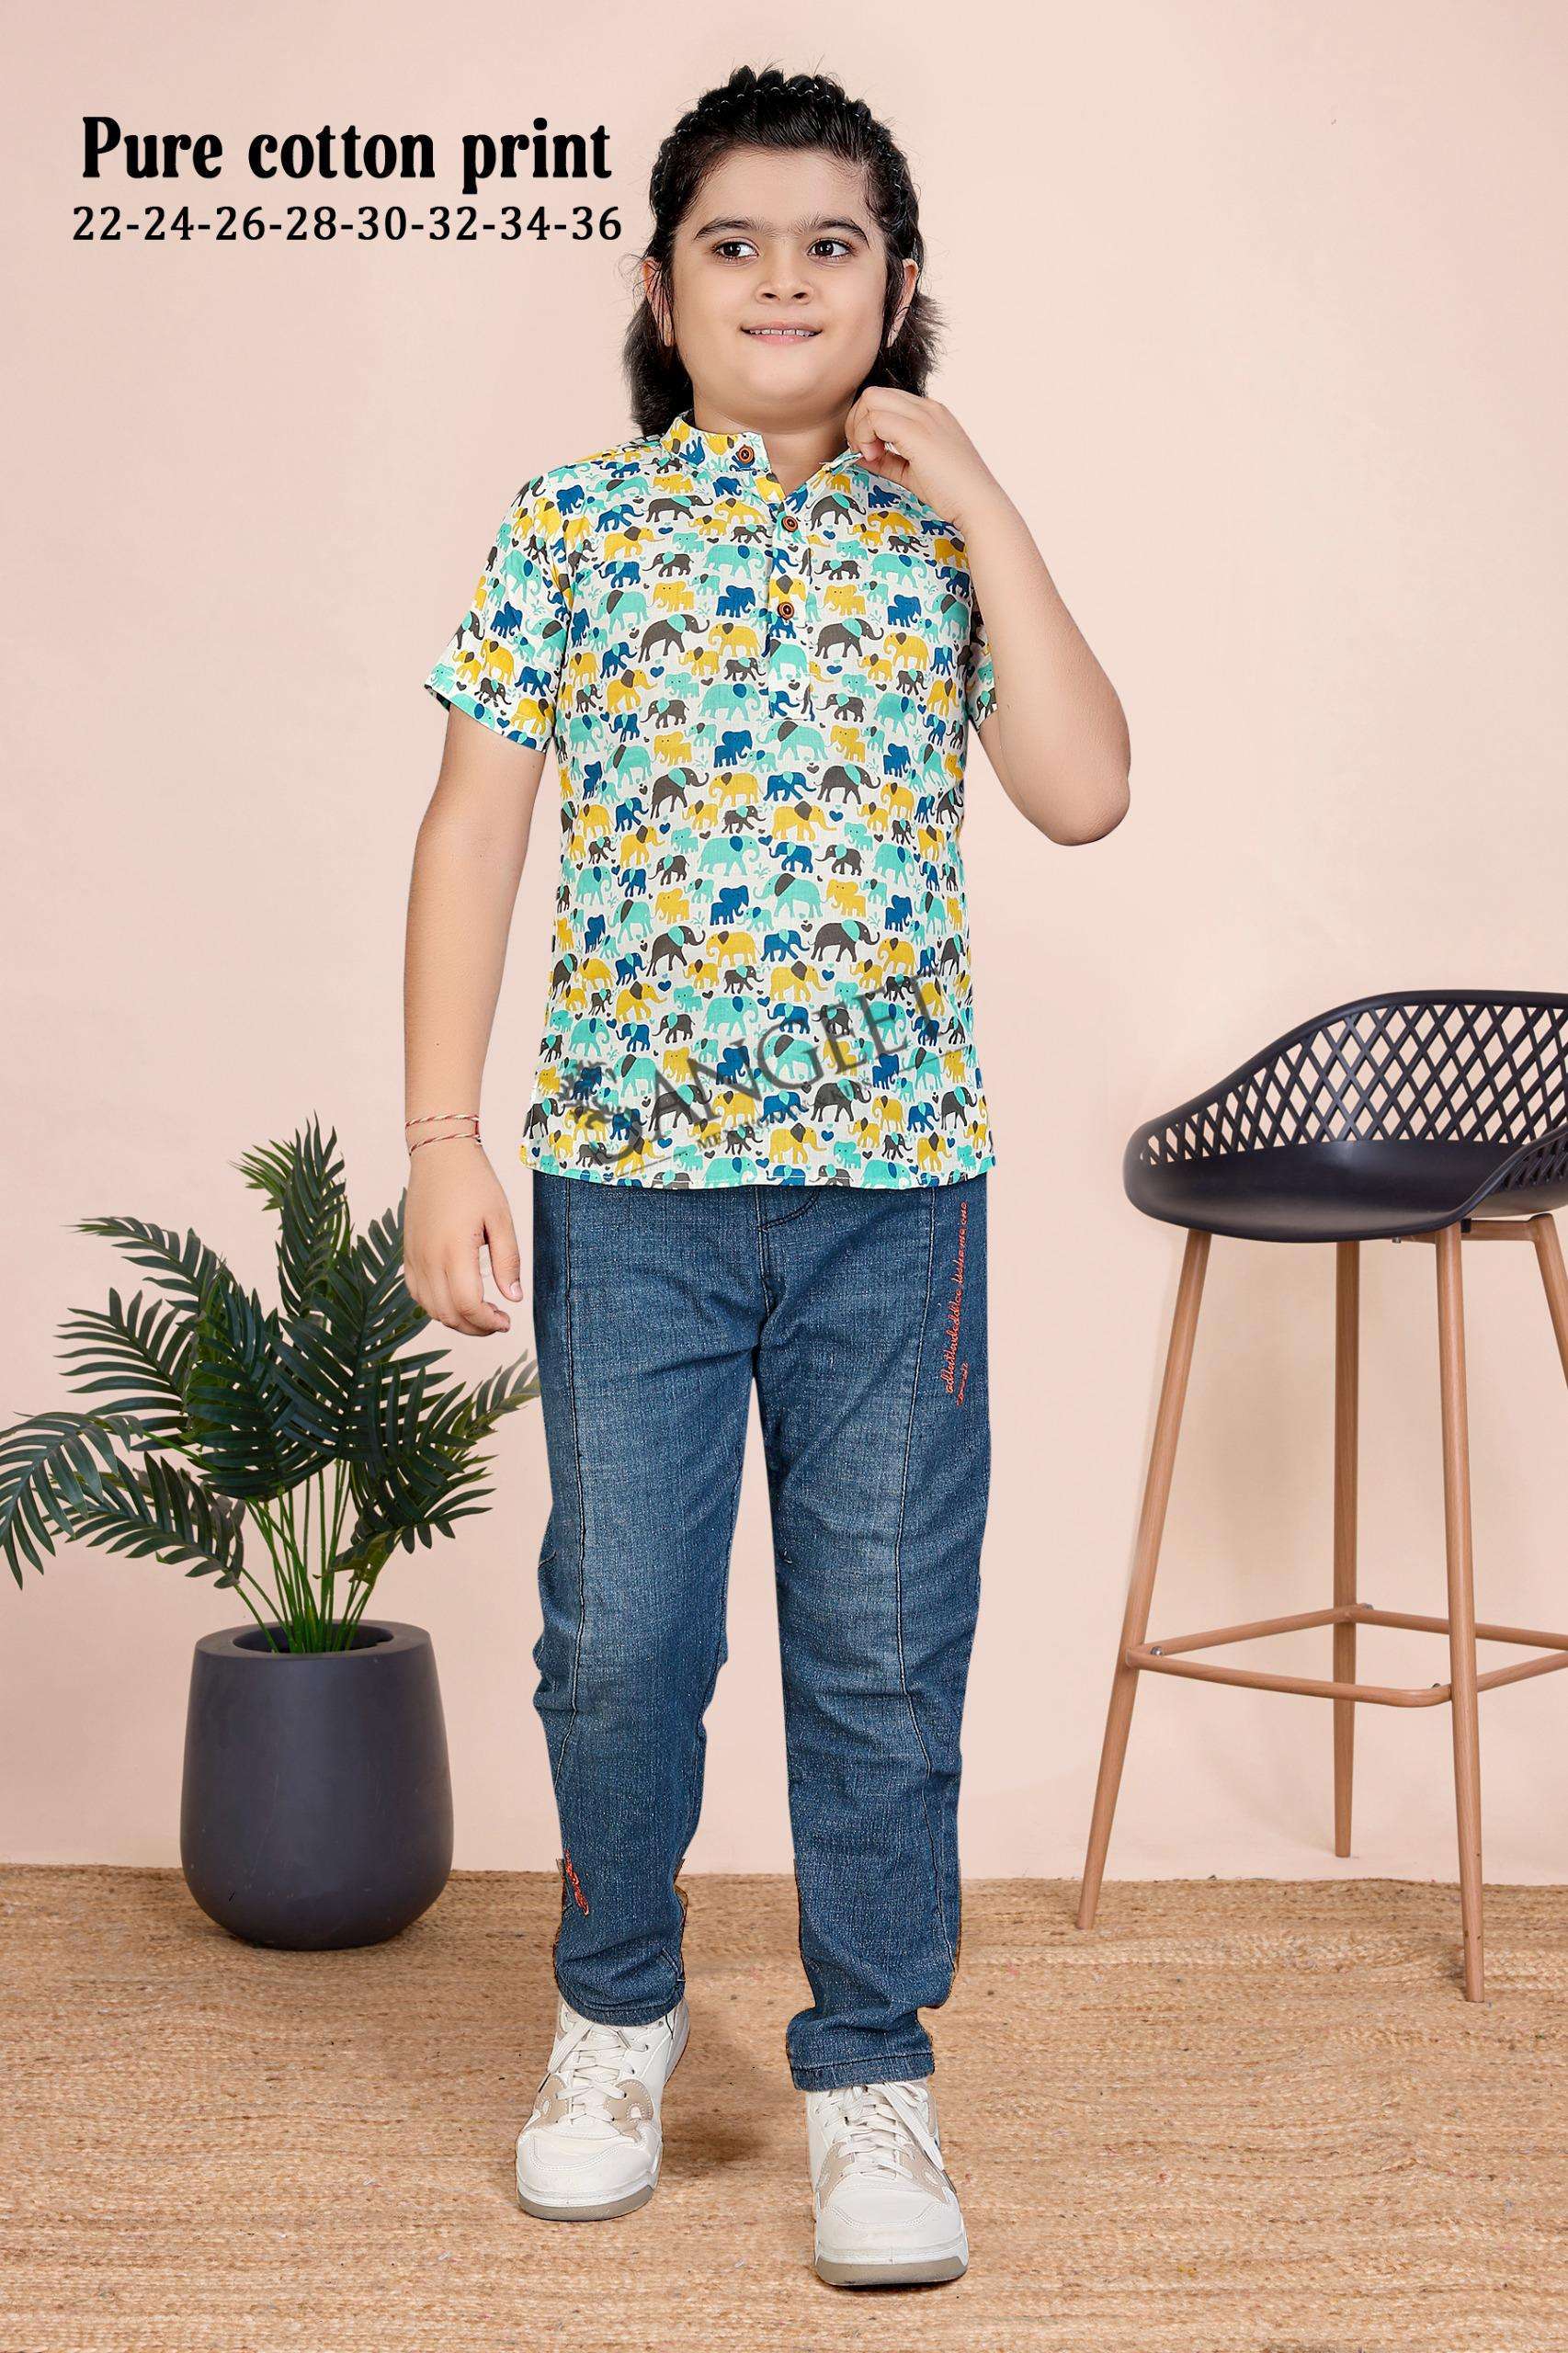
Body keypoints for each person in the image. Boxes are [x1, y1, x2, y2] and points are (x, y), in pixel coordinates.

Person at [403, 63, 1130, 2290]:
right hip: (628, 1192)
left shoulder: (938, 540)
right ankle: (613, 2016)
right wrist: (441, 1134)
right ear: (663, 287)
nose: (784, 278)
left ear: (897, 290)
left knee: (884, 1646)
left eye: (833, 245)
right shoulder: (572, 527)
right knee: (620, 1636)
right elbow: (473, 832)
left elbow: (1084, 787)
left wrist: (978, 487)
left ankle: (871, 2071)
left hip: (894, 1200)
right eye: (736, 242)